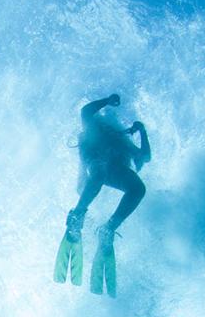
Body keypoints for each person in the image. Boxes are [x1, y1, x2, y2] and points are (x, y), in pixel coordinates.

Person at [54, 93, 151, 296]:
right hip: (94, 169)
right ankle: (77, 214)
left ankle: (109, 228)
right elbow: (86, 111)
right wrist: (107, 100)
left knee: (138, 189)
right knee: (99, 170)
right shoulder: (94, 128)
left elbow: (145, 157)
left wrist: (141, 130)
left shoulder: (121, 140)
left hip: (112, 171)